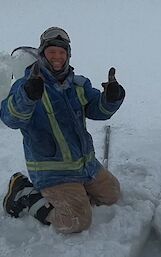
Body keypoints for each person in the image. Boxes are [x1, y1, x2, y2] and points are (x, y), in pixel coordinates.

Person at [0, 27, 125, 233]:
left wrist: (111, 98)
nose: (57, 57)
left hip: (85, 165)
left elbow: (98, 110)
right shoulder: (27, 85)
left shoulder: (78, 84)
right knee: (76, 220)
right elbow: (10, 118)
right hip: (53, 171)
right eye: (51, 52)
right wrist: (28, 97)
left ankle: (78, 190)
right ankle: (24, 192)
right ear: (42, 54)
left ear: (67, 55)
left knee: (112, 194)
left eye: (61, 52)